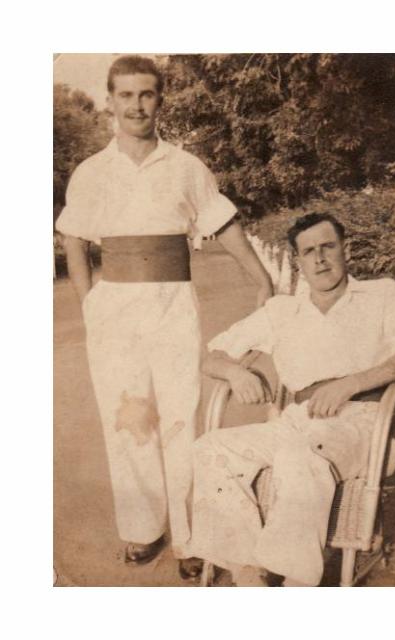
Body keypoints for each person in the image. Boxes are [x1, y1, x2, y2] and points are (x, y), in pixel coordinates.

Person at [55, 55, 273, 575]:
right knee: (129, 420)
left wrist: (261, 278)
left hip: (173, 305)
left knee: (181, 418)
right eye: (126, 95)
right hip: (115, 310)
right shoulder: (91, 172)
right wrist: (91, 303)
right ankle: (143, 529)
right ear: (110, 101)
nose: (137, 105)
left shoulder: (186, 166)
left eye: (147, 94)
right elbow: (75, 241)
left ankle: (192, 538)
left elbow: (223, 224)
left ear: (160, 100)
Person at [190, 212, 395, 586]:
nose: (319, 259)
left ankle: (297, 582)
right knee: (209, 448)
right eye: (309, 252)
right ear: (297, 261)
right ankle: (247, 572)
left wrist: (351, 383)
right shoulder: (281, 310)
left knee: (299, 455)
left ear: (345, 249)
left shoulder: (382, 294)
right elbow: (213, 356)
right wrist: (236, 372)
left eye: (328, 247)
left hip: (363, 419)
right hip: (296, 421)